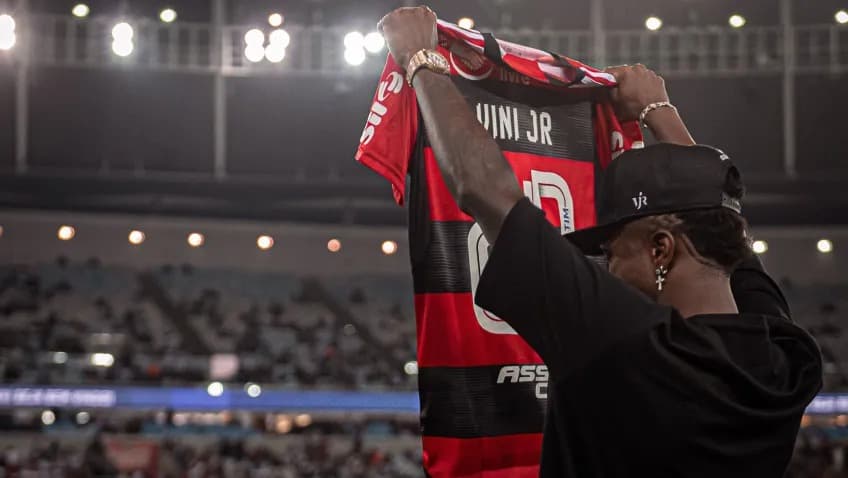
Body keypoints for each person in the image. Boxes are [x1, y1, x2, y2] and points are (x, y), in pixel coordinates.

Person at [378, 6, 823, 477]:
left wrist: (421, 59)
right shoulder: (787, 356)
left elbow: (485, 192)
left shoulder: (625, 343)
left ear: (660, 250)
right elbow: (724, 220)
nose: (606, 265)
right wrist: (658, 111)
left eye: (613, 250)